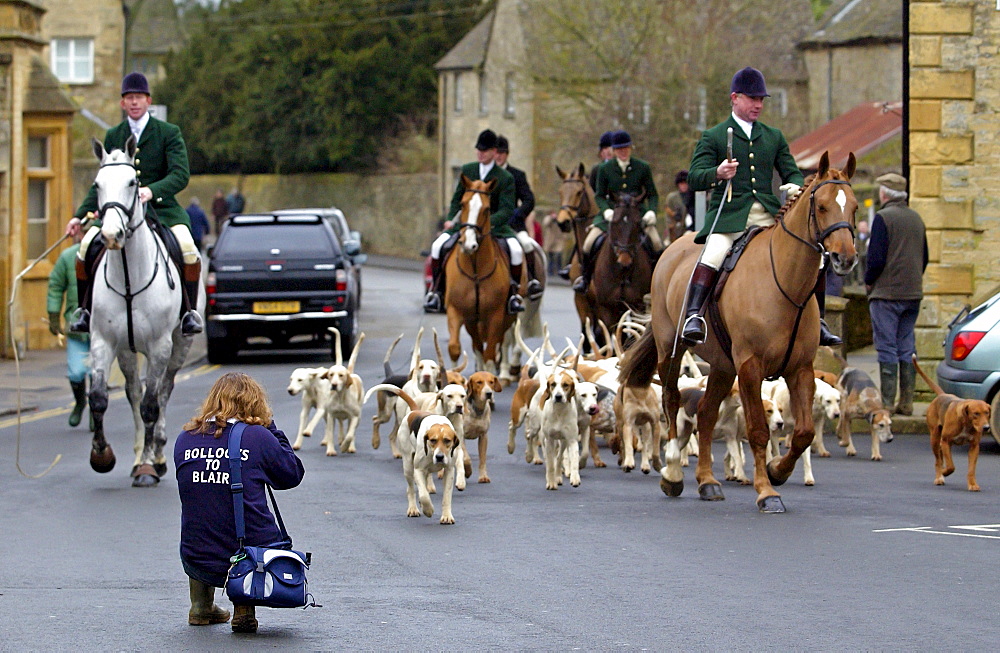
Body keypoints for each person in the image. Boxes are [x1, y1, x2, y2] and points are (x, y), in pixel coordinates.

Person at [681, 66, 842, 347]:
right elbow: (694, 176)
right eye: (752, 99)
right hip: (730, 216)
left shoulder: (773, 136)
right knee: (714, 253)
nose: (758, 105)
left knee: (815, 256)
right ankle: (694, 316)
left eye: (762, 100)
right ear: (735, 98)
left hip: (768, 215)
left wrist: (794, 187)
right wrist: (717, 173)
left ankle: (820, 322)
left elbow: (791, 171)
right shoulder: (715, 136)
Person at [64, 72, 202, 336]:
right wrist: (80, 216)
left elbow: (180, 174)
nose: (134, 102)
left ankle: (188, 312)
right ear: (122, 104)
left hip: (162, 210)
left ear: (148, 100)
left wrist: (152, 190)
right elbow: (103, 181)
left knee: (188, 249)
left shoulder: (168, 133)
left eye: (139, 97)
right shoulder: (114, 134)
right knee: (84, 248)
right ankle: (85, 311)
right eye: (129, 98)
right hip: (119, 212)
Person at [174, 372, 305, 633]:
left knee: (206, 512)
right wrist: (270, 427)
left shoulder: (185, 438)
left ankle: (200, 605)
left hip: (196, 553)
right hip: (247, 556)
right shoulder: (258, 436)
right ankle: (243, 606)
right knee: (248, 521)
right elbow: (291, 474)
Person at [423, 129, 526, 314]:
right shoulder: (468, 170)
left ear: (494, 152)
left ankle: (513, 296)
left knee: (517, 250)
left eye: (485, 150)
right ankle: (436, 292)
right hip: (464, 225)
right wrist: (449, 219)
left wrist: (486, 223)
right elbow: (456, 199)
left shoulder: (505, 178)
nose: (480, 153)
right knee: (437, 246)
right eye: (478, 149)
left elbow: (506, 209)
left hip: (495, 228)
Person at [864, 172, 928, 416]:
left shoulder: (883, 218)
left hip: (886, 294)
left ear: (884, 194)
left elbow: (876, 259)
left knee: (887, 346)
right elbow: (925, 256)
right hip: (912, 293)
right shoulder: (916, 218)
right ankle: (907, 402)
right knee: (906, 345)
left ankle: (888, 403)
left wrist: (869, 283)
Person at [574, 129, 662, 293]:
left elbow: (653, 195)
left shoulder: (642, 167)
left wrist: (651, 212)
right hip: (611, 214)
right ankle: (585, 280)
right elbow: (599, 195)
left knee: (657, 243)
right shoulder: (605, 169)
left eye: (626, 148)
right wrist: (606, 210)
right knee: (588, 244)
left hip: (637, 214)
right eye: (619, 149)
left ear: (631, 148)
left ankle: (657, 285)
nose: (623, 152)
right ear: (613, 151)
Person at [47, 233, 90, 428]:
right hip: (76, 326)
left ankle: (96, 414)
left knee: (99, 375)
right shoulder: (68, 257)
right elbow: (55, 286)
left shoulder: (111, 256)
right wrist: (54, 315)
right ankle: (80, 403)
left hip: (105, 328)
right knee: (76, 373)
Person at [495, 135, 543, 300]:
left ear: (507, 154)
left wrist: (518, 213)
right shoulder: (484, 175)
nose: (498, 156)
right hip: (488, 225)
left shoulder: (517, 175)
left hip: (513, 225)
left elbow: (529, 199)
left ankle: (531, 280)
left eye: (502, 153)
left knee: (527, 244)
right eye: (496, 152)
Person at [664, 170, 696, 237]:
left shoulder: (694, 197)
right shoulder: (671, 198)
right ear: (678, 184)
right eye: (681, 183)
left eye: (685, 183)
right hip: (674, 230)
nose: (684, 185)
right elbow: (668, 216)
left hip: (690, 229)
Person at [541, 211, 565, 276]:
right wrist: (551, 218)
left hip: (558, 240)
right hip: (550, 241)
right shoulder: (549, 219)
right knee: (551, 256)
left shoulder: (560, 219)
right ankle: (550, 271)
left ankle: (559, 270)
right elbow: (545, 223)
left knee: (558, 255)